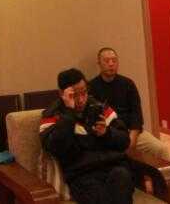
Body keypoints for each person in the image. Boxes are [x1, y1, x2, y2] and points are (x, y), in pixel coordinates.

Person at [40, 68, 134, 204]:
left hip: (113, 166)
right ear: (62, 94)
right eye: (74, 95)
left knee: (122, 177)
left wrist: (107, 134)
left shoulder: (98, 107)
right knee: (97, 194)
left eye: (84, 93)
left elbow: (125, 141)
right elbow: (56, 148)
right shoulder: (52, 115)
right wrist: (69, 113)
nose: (81, 100)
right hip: (82, 174)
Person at [88, 47, 170, 165]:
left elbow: (137, 115)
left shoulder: (127, 84)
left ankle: (166, 176)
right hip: (108, 134)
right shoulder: (91, 87)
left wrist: (132, 139)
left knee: (161, 149)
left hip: (132, 133)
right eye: (106, 61)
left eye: (114, 60)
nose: (111, 64)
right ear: (99, 63)